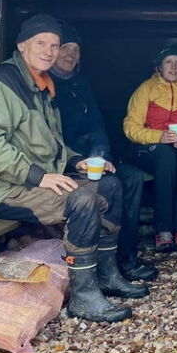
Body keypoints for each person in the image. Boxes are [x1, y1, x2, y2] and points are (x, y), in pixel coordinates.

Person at [0, 14, 146, 325]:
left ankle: (106, 274)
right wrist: (40, 176)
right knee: (82, 199)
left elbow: (50, 144)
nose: (49, 50)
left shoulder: (41, 85)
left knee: (110, 185)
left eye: (55, 44)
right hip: (1, 190)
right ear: (22, 45)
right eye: (41, 43)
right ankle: (84, 296)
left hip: (33, 183)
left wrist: (75, 160)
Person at [50, 24, 158, 283]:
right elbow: (51, 137)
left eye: (75, 49)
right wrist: (80, 160)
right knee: (111, 185)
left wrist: (103, 155)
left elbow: (97, 125)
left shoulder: (81, 83)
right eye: (65, 48)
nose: (71, 54)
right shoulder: (46, 86)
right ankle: (103, 269)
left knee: (131, 178)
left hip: (92, 159)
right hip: (67, 163)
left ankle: (126, 260)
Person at [124, 45, 177, 254]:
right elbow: (130, 127)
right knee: (166, 154)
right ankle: (163, 228)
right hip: (148, 149)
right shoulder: (147, 88)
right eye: (168, 62)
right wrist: (159, 136)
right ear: (159, 67)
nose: (173, 67)